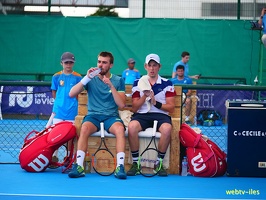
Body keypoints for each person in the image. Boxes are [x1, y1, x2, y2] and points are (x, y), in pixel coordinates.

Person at [68, 51, 127, 179]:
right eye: (99, 62)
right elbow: (71, 94)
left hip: (111, 116)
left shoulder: (118, 80)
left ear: (111, 65)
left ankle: (120, 167)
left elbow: (122, 105)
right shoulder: (91, 78)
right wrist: (86, 78)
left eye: (104, 62)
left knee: (120, 129)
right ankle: (79, 166)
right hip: (93, 116)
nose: (101, 65)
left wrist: (111, 86)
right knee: (84, 128)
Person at [127, 53, 176, 177]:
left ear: (159, 67)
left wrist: (156, 103)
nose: (152, 68)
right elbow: (135, 108)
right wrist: (145, 95)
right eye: (150, 65)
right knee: (132, 127)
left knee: (167, 129)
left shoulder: (167, 83)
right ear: (145, 67)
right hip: (142, 115)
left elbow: (171, 108)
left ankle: (158, 164)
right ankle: (135, 163)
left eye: (155, 65)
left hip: (161, 115)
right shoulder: (138, 83)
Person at [50, 52, 82, 165]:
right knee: (56, 134)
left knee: (70, 135)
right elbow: (54, 91)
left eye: (70, 62)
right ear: (61, 63)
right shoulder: (56, 76)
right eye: (66, 62)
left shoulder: (78, 77)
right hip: (58, 111)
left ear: (73, 63)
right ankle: (54, 156)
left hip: (72, 111)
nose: (68, 64)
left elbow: (80, 93)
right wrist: (58, 103)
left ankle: (68, 156)